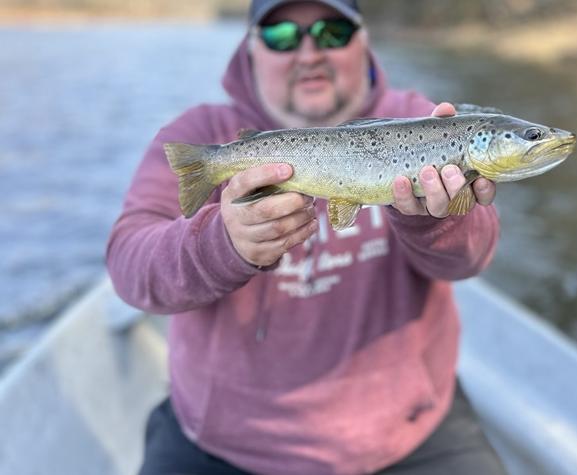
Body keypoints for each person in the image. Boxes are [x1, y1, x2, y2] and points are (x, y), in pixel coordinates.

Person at [106, 0, 506, 473]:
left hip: (410, 430)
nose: (309, 52)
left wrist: (435, 219)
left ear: (363, 40)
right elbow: (130, 268)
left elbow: (471, 260)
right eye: (282, 37)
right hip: (223, 442)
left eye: (332, 32)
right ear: (251, 49)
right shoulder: (203, 136)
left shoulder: (425, 124)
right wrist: (222, 244)